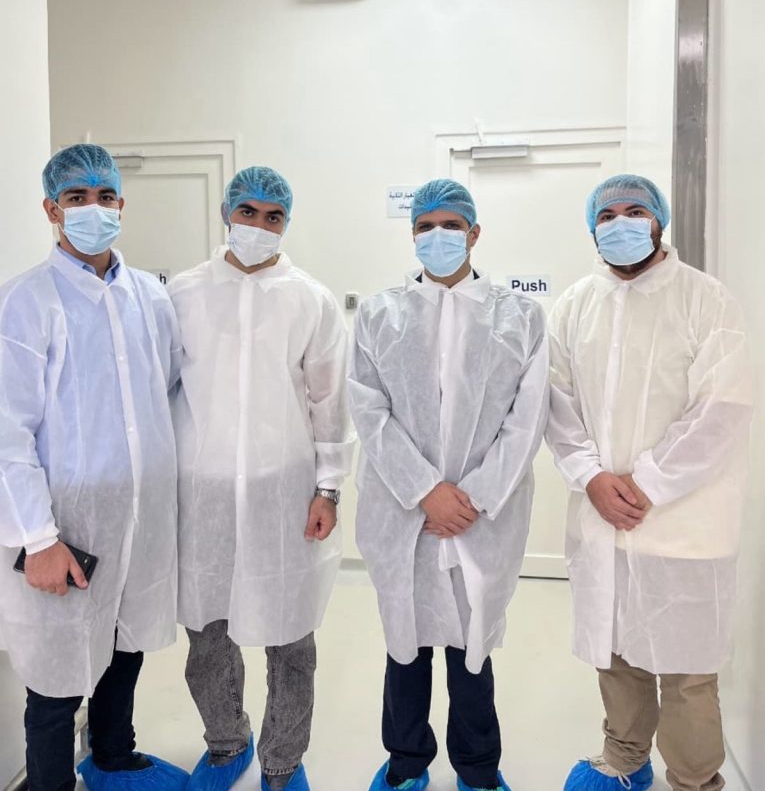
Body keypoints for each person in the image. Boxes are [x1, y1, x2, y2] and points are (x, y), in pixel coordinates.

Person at [546, 174, 752, 791]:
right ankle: (625, 758)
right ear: (591, 229)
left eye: (635, 211)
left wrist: (649, 485)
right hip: (601, 516)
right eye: (607, 215)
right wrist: (590, 476)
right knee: (616, 652)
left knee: (688, 671)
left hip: (685, 522)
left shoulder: (705, 299)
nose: (621, 224)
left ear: (660, 220)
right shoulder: (575, 305)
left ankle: (694, 778)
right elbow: (556, 403)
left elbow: (723, 407)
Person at [349, 178, 549, 791]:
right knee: (404, 645)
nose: (438, 236)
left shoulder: (519, 315)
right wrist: (424, 490)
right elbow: (368, 409)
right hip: (401, 511)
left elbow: (527, 417)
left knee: (472, 649)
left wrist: (474, 496)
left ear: (474, 233)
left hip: (483, 516)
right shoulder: (378, 313)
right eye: (425, 226)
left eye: (451, 226)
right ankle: (406, 763)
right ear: (411, 235)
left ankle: (478, 769)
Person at [0, 144, 187, 791]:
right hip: (64, 526)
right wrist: (38, 539)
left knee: (124, 646)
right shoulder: (26, 302)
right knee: (56, 678)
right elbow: (7, 433)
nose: (93, 209)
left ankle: (112, 755)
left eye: (104, 196)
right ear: (51, 209)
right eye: (76, 198)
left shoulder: (151, 297)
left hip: (140, 517)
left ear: (121, 204)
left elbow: (164, 390)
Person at [169, 165, 353, 791]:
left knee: (291, 636)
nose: (258, 225)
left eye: (273, 217)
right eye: (247, 212)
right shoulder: (183, 294)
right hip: (204, 492)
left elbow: (329, 402)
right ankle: (226, 743)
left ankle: (283, 760)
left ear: (286, 224)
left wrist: (328, 487)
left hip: (284, 490)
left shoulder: (310, 298)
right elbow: (161, 390)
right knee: (207, 632)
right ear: (226, 213)